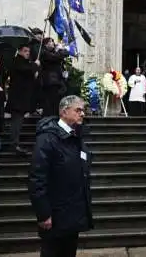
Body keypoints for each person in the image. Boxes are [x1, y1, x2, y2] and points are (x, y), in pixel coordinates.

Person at [28, 96, 92, 257]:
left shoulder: (75, 136)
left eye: (83, 110)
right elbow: (37, 178)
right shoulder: (47, 139)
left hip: (73, 211)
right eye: (78, 110)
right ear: (64, 111)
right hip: (55, 213)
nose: (82, 114)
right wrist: (43, 213)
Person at [8, 45, 40, 154]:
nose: (27, 53)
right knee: (16, 121)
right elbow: (27, 70)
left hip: (22, 98)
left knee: (19, 121)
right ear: (19, 51)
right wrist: (36, 64)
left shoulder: (25, 62)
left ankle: (15, 143)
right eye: (25, 51)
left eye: (28, 51)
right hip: (17, 98)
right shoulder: (17, 61)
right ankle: (14, 144)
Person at [39, 38, 70, 118]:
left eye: (53, 41)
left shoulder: (54, 52)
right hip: (50, 82)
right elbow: (56, 57)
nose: (52, 43)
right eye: (50, 42)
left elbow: (66, 53)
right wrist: (60, 50)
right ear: (45, 44)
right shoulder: (44, 53)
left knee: (56, 105)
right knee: (49, 105)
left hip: (57, 82)